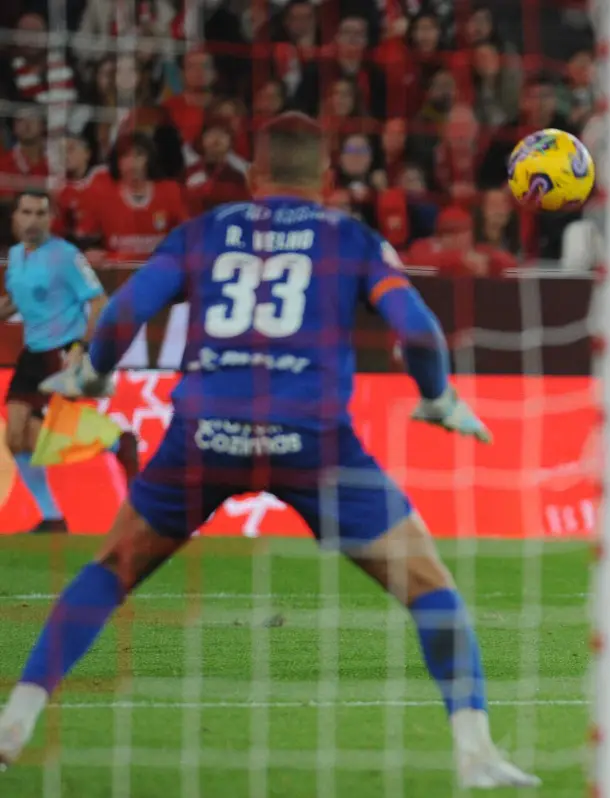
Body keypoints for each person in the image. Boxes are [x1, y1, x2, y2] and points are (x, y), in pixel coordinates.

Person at [0, 113, 540, 790]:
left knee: (110, 569)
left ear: (255, 177)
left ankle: (16, 719)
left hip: (204, 434)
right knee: (430, 586)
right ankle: (475, 750)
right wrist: (437, 397)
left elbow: (125, 310)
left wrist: (94, 375)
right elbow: (421, 331)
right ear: (323, 180)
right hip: (312, 442)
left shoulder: (202, 232)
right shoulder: (349, 237)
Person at [0, 191, 139, 533]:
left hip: (62, 350)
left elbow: (100, 303)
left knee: (40, 433)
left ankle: (119, 442)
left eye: (40, 213)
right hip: (32, 352)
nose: (33, 221)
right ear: (14, 219)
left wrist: (82, 347)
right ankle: (52, 516)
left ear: (50, 219)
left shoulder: (66, 256)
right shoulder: (16, 256)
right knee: (16, 436)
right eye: (27, 213)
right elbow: (16, 302)